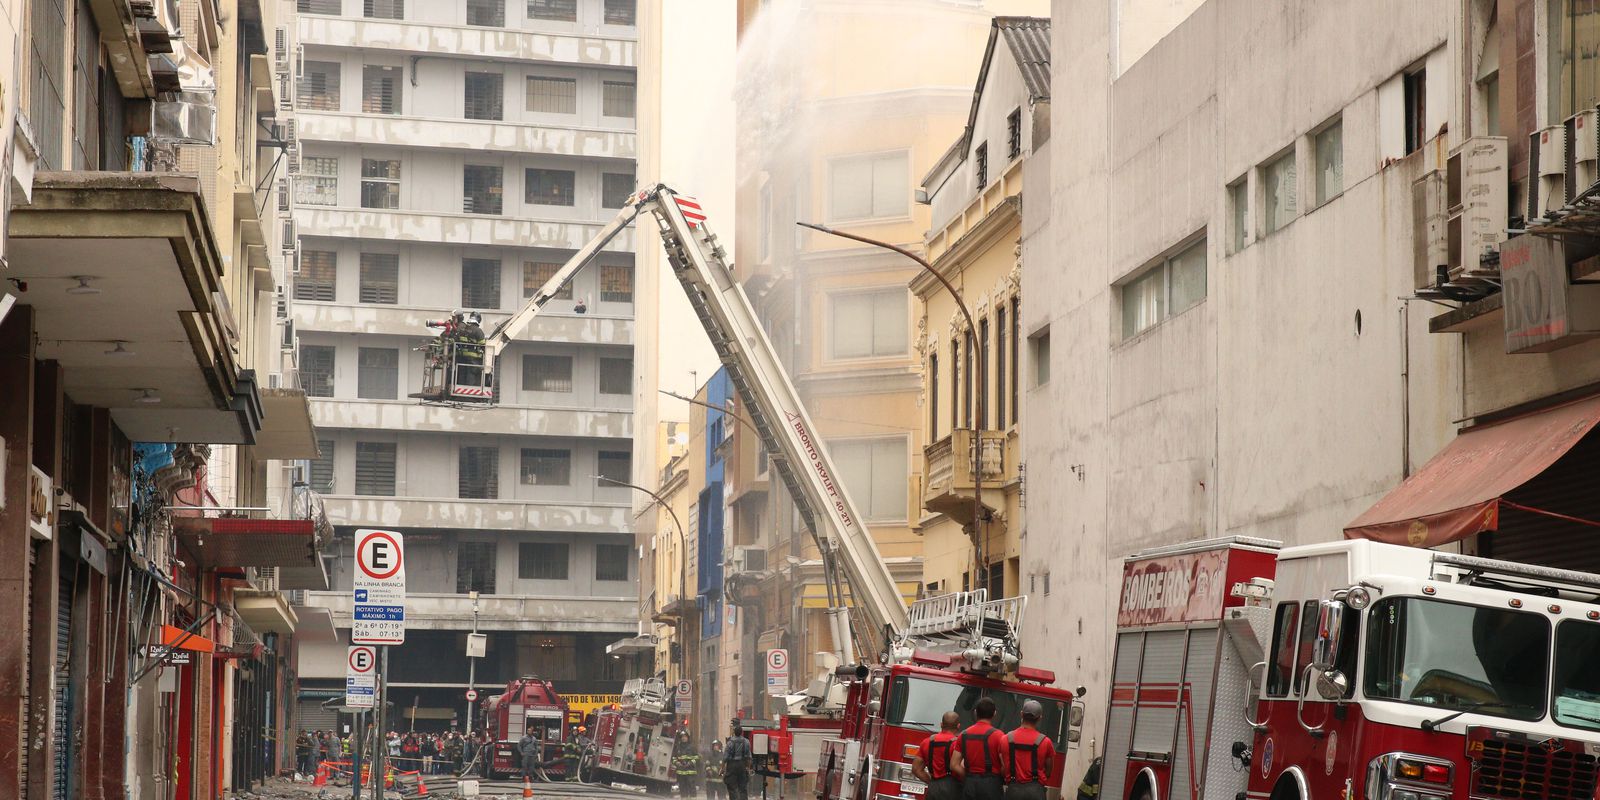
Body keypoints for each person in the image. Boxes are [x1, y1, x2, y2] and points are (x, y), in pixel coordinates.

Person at [952, 698, 1009, 800]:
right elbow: (1006, 766)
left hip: (970, 784)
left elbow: (954, 765)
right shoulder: (999, 736)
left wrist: (968, 777)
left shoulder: (963, 735)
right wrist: (998, 777)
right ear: (994, 713)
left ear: (975, 712)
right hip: (992, 786)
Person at [1004, 701, 1056, 800]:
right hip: (1036, 793)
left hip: (1013, 791)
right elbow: (1048, 772)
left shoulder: (1006, 739)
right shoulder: (1046, 742)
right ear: (1040, 718)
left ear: (1021, 714)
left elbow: (1003, 766)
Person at [912, 712, 964, 800]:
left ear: (941, 724)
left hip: (933, 788)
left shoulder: (926, 742)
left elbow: (916, 769)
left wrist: (931, 782)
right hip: (953, 791)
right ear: (958, 726)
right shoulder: (958, 744)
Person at [722, 721, 752, 800]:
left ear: (734, 732)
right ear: (742, 732)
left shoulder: (730, 743)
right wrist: (748, 768)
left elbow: (725, 758)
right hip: (742, 765)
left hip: (732, 766)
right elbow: (749, 758)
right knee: (743, 788)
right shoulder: (746, 742)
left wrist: (722, 769)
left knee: (732, 787)